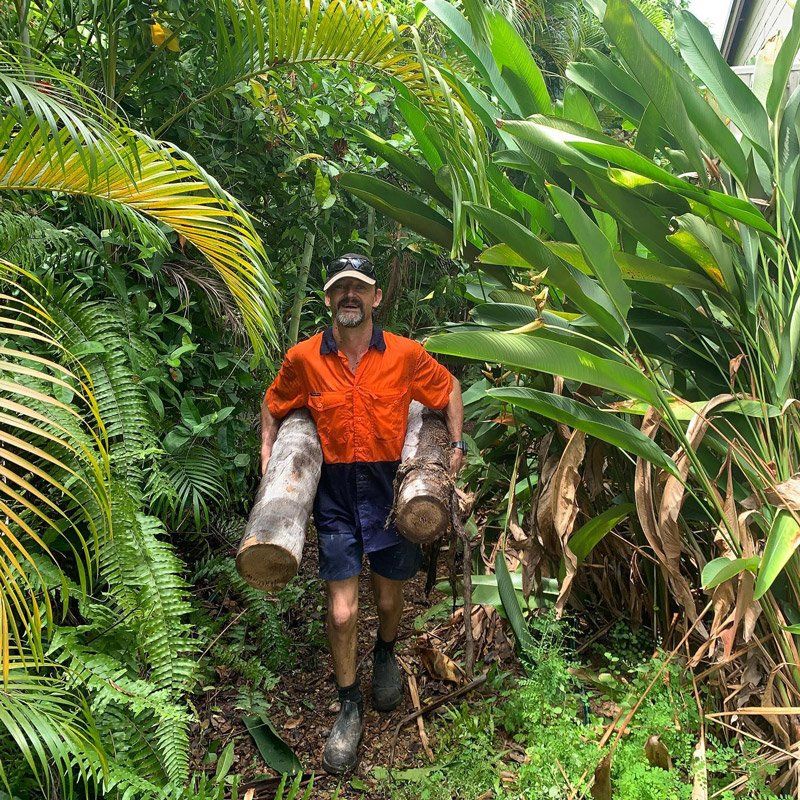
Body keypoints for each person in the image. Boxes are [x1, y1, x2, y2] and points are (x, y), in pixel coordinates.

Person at [260, 253, 465, 774]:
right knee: (342, 611)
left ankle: (385, 654)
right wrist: (267, 453)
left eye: (359, 288)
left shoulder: (405, 354)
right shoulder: (304, 359)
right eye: (340, 289)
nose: (349, 296)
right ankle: (349, 704)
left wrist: (457, 445)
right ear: (329, 300)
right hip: (335, 492)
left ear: (376, 297)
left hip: (390, 488)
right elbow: (273, 403)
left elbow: (449, 390)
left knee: (390, 600)